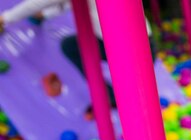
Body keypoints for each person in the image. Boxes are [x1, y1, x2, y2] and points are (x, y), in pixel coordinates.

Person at [0, 0, 153, 116]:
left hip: (135, 47)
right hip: (110, 42)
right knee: (71, 46)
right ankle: (110, 97)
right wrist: (46, 14)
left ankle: (131, 104)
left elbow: (42, 1)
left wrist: (6, 17)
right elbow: (74, 3)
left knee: (133, 96)